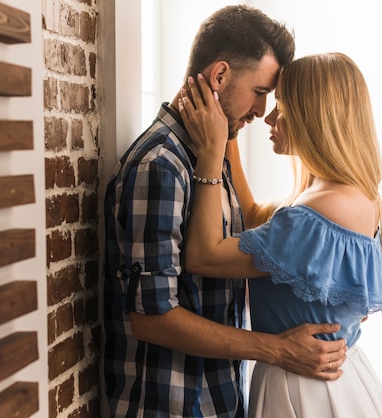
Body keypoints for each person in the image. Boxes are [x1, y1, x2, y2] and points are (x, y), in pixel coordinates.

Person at [102, 5, 347, 418]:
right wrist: (279, 350)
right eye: (259, 92)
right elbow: (152, 318)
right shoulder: (161, 165)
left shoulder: (206, 160)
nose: (262, 111)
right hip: (170, 407)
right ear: (219, 77)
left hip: (215, 399)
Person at [179, 52, 382, 417]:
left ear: (315, 116)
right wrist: (230, 130)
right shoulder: (352, 194)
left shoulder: (316, 215)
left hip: (303, 393)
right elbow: (253, 220)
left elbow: (203, 255)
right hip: (342, 384)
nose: (269, 116)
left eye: (282, 105)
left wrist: (211, 153)